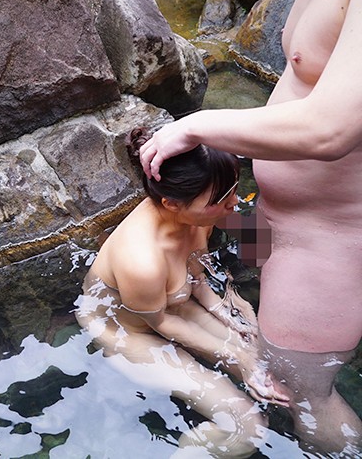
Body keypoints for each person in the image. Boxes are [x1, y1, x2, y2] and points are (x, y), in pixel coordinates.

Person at [138, 0, 362, 454]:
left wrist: (196, 126)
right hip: (283, 223)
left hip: (327, 243)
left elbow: (332, 129)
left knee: (303, 394)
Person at [75, 128, 289, 456]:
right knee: (246, 428)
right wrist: (238, 356)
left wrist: (233, 312)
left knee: (272, 368)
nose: (234, 203)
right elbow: (161, 322)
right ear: (171, 203)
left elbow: (197, 277)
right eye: (222, 199)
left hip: (175, 304)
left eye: (233, 189)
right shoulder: (141, 261)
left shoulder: (199, 211)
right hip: (129, 331)